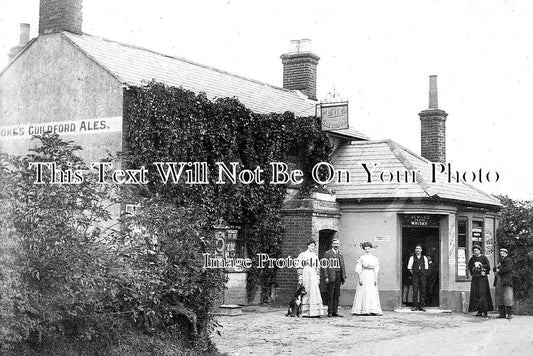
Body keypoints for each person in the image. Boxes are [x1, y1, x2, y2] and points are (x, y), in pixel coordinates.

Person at [351, 242, 382, 315]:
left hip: (371, 275)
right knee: (364, 291)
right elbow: (359, 269)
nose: (367, 250)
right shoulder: (362, 258)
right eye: (366, 249)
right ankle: (363, 309)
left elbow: (376, 269)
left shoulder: (374, 258)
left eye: (368, 248)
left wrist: (375, 279)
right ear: (364, 250)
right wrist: (360, 279)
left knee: (371, 291)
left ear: (371, 249)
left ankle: (372, 309)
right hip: (364, 275)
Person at [297, 240, 324, 317]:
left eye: (314, 246)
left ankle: (315, 312)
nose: (313, 247)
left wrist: (318, 277)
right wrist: (300, 278)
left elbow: (317, 267)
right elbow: (299, 267)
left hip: (313, 275)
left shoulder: (315, 255)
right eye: (311, 246)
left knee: (314, 291)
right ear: (308, 246)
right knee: (306, 291)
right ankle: (305, 312)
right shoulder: (302, 255)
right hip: (306, 274)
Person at [467, 245, 494, 317]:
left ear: (480, 251)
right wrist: (473, 268)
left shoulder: (484, 258)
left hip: (482, 279)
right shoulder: (472, 258)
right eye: (474, 251)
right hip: (475, 278)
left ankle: (485, 311)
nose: (476, 252)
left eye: (477, 251)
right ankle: (479, 311)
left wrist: (481, 265)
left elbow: (488, 267)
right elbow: (469, 267)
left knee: (483, 294)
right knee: (476, 294)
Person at [323, 238, 346, 317]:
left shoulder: (340, 253)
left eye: (337, 244)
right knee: (330, 293)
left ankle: (335, 311)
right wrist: (326, 276)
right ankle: (330, 311)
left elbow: (343, 265)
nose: (336, 245)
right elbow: (324, 266)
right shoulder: (328, 253)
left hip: (339, 275)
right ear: (332, 244)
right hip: (331, 275)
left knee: (337, 294)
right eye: (335, 244)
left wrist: (343, 276)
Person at [493, 247, 514, 319]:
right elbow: (494, 269)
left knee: (508, 297)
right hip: (499, 281)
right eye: (501, 253)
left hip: (506, 281)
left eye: (503, 253)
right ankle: (502, 313)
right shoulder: (500, 261)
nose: (502, 254)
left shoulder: (509, 260)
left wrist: (499, 270)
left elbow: (508, 269)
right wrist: (496, 267)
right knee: (500, 297)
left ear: (506, 254)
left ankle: (510, 314)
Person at [407, 245, 428, 311]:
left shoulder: (424, 257)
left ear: (421, 250)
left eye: (419, 248)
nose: (418, 250)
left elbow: (426, 267)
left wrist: (423, 273)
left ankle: (422, 306)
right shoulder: (412, 258)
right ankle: (415, 306)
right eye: (417, 248)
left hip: (422, 275)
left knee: (423, 290)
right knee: (415, 290)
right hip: (415, 276)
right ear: (415, 250)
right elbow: (409, 267)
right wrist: (414, 273)